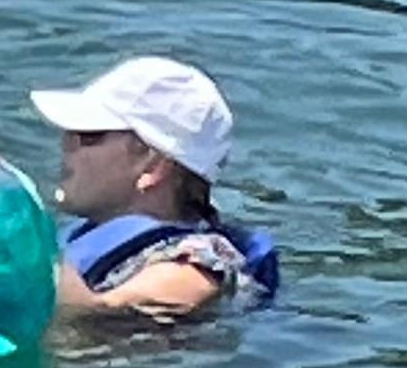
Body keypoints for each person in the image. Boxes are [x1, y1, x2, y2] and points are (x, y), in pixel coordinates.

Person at [26, 56, 282, 319]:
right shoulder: (88, 236)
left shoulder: (192, 267)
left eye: (89, 135)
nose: (67, 143)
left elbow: (93, 318)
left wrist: (24, 243)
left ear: (153, 167)